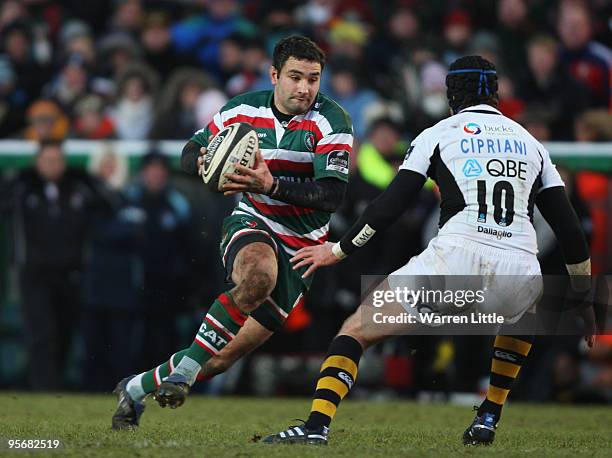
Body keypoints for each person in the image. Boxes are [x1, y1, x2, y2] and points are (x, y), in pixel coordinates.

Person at [262, 55, 594, 446]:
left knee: (356, 329)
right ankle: (489, 413)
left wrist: (338, 250)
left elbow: (389, 207)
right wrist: (584, 297)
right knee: (524, 306)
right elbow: (570, 229)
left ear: (452, 95)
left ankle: (316, 427)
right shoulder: (533, 145)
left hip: (456, 263)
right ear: (497, 94)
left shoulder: (438, 133)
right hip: (519, 267)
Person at [111, 35, 353, 429]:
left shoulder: (333, 120)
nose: (305, 88)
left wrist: (270, 184)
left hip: (304, 247)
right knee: (258, 276)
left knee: (221, 356)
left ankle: (135, 388)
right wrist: (205, 161)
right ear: (274, 75)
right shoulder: (241, 109)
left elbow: (332, 195)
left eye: (313, 78)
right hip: (253, 221)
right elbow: (190, 153)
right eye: (295, 77)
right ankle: (184, 375)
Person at [0, 140, 111, 390]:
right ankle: (44, 387)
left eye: (58, 160)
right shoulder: (23, 189)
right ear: (37, 163)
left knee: (65, 332)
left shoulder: (77, 188)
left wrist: (92, 178)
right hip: (34, 273)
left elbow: (109, 203)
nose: (53, 166)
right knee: (41, 333)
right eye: (47, 160)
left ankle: (53, 384)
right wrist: (19, 179)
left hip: (71, 273)